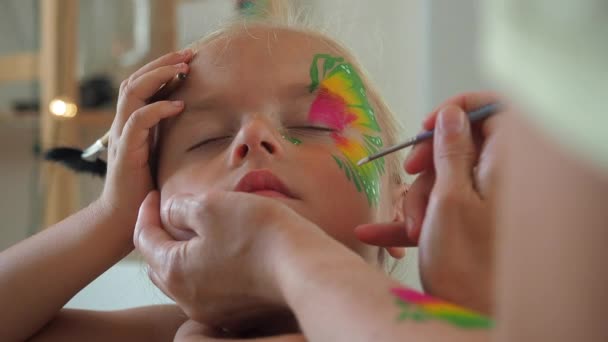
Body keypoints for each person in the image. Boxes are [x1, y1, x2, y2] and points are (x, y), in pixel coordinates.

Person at [0, 15, 498, 342]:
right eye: (206, 140)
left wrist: (281, 251)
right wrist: (113, 217)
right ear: (154, 211)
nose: (254, 136)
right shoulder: (155, 334)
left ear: (402, 206)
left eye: (313, 126)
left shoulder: (444, 320)